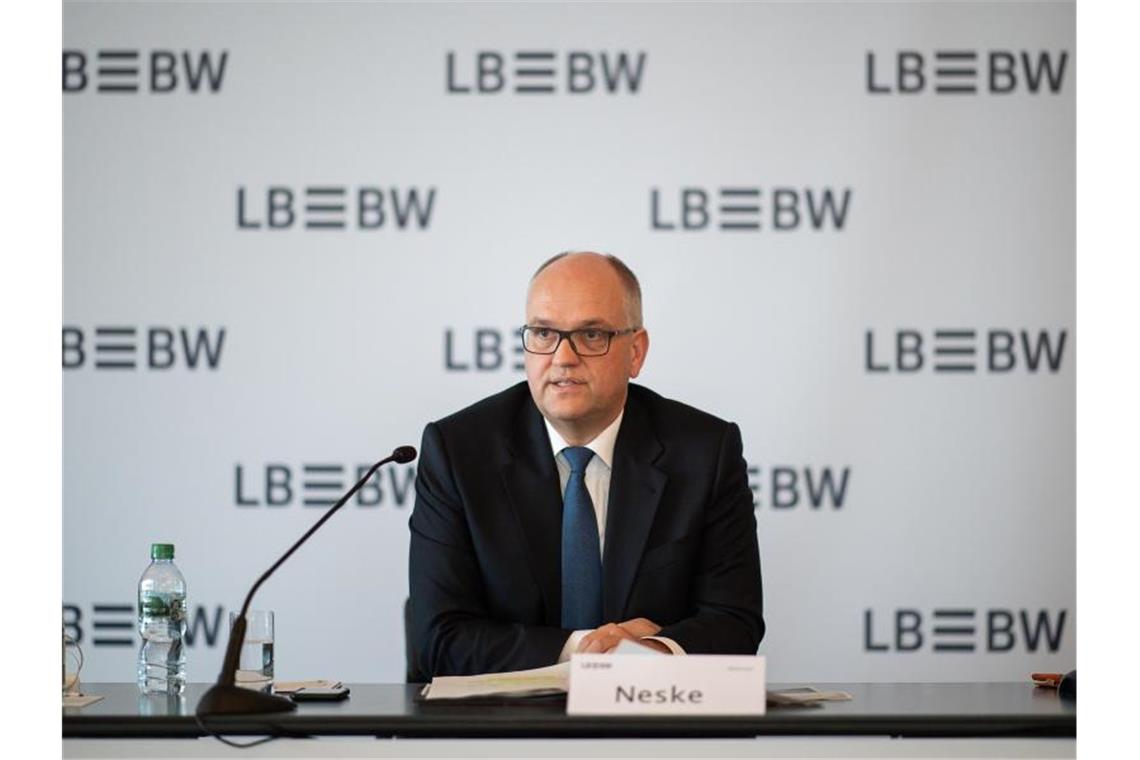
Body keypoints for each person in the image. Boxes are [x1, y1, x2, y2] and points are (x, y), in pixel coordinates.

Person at [408, 251, 763, 678]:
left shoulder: (705, 452)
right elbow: (440, 639)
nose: (562, 357)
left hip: (651, 732)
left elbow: (735, 623)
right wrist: (590, 651)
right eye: (543, 333)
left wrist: (655, 650)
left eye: (592, 335)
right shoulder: (458, 452)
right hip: (503, 734)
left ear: (635, 352)